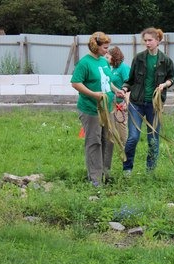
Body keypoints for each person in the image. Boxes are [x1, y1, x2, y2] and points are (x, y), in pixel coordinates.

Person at [70, 31, 124, 186]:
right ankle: (95, 179)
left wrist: (116, 90)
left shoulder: (103, 61)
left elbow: (106, 81)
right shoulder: (85, 63)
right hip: (91, 109)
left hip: (107, 109)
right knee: (94, 142)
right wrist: (93, 94)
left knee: (108, 141)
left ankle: (105, 174)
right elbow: (75, 82)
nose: (107, 50)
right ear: (95, 46)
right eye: (105, 47)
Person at [120, 27, 174, 175]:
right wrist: (124, 89)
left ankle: (150, 171)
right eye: (145, 41)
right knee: (133, 137)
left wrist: (165, 85)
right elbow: (130, 80)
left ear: (158, 41)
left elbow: (171, 79)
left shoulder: (166, 61)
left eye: (150, 40)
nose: (147, 43)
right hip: (136, 103)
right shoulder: (138, 58)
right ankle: (127, 169)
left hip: (154, 105)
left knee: (153, 140)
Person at [105, 46, 130, 147]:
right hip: (113, 101)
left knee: (121, 124)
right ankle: (117, 144)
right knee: (113, 124)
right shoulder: (113, 69)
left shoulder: (123, 68)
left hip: (122, 101)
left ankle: (125, 146)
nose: (106, 59)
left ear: (114, 57)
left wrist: (126, 103)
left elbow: (129, 85)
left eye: (107, 57)